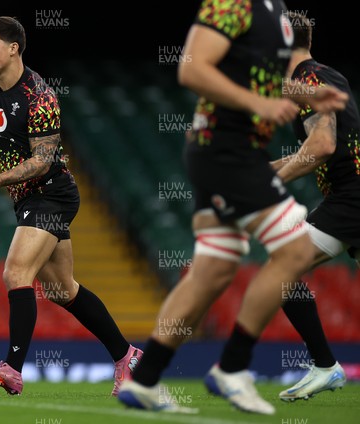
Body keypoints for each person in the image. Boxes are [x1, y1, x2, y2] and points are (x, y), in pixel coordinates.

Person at [117, 0, 348, 415]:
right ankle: (233, 367)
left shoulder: (273, 14)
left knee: (211, 271)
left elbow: (258, 80)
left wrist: (306, 93)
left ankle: (146, 379)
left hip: (226, 151)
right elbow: (192, 68)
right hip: (228, 150)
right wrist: (259, 105)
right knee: (293, 252)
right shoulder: (233, 4)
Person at [0, 16, 142, 396]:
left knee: (15, 272)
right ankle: (127, 356)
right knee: (62, 290)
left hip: (52, 192)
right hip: (26, 196)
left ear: (14, 48)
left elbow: (43, 160)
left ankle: (12, 367)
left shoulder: (40, 96)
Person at [268, 10, 359, 401]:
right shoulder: (316, 75)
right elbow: (315, 147)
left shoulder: (308, 78)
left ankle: (325, 366)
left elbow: (321, 146)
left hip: (351, 197)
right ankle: (325, 366)